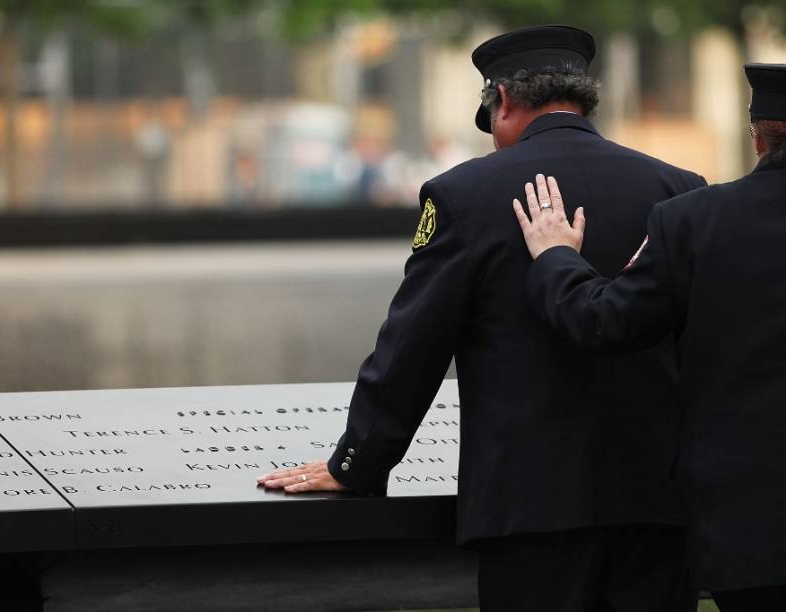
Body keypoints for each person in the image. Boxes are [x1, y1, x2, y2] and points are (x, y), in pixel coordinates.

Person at [259, 25, 706, 611]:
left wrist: (357, 463)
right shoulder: (679, 190)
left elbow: (412, 346)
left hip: (529, 511)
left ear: (503, 101)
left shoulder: (464, 194)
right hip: (658, 506)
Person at [512, 63, 786, 612]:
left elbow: (602, 321)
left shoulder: (691, 220)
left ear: (757, 137)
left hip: (740, 521)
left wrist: (556, 256)